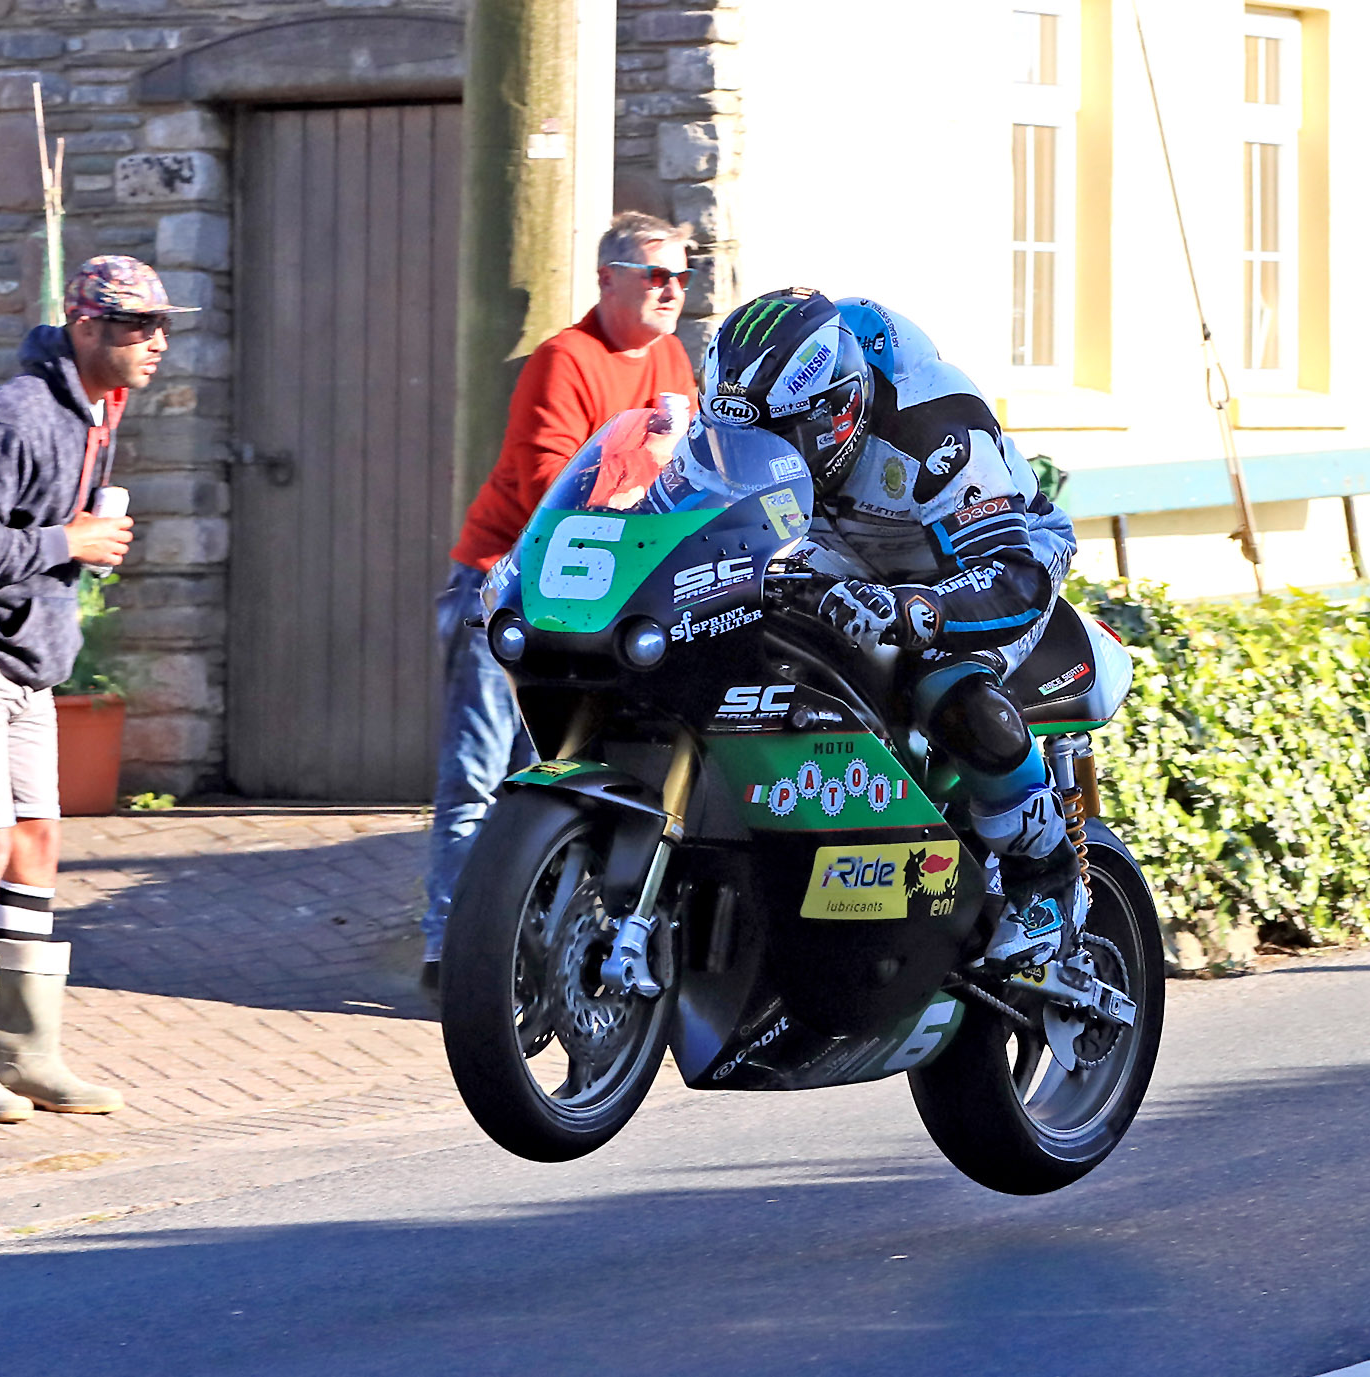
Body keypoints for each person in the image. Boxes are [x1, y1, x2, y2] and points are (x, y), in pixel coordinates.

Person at [0, 256, 193, 1121]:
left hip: (20, 658)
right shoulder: (15, 415)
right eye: (138, 325)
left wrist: (72, 555)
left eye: (163, 325)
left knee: (36, 846)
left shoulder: (99, 410)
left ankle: (27, 1055)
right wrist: (71, 541)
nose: (157, 341)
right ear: (85, 325)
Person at [700, 287, 1083, 970]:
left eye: (778, 438)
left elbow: (1012, 576)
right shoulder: (759, 417)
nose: (756, 454)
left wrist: (916, 608)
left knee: (944, 678)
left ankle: (1045, 875)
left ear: (839, 409)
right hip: (847, 545)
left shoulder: (935, 433)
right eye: (739, 438)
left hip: (991, 554)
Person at [423, 212, 699, 986]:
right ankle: (449, 950)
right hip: (507, 588)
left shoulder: (673, 356)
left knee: (560, 777)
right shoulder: (564, 359)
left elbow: (694, 466)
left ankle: (524, 948)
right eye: (655, 274)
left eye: (683, 274)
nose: (672, 289)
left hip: (599, 596)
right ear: (608, 278)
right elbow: (553, 485)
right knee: (481, 778)